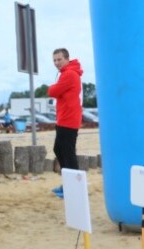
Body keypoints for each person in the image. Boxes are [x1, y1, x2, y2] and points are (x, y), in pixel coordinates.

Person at [48, 48, 83, 199]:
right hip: (65, 119)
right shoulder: (67, 73)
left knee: (67, 154)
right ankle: (69, 184)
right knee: (60, 150)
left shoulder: (69, 74)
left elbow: (52, 92)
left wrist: (52, 87)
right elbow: (57, 91)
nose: (56, 63)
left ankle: (74, 187)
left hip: (68, 120)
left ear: (67, 59)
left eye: (59, 59)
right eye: (54, 60)